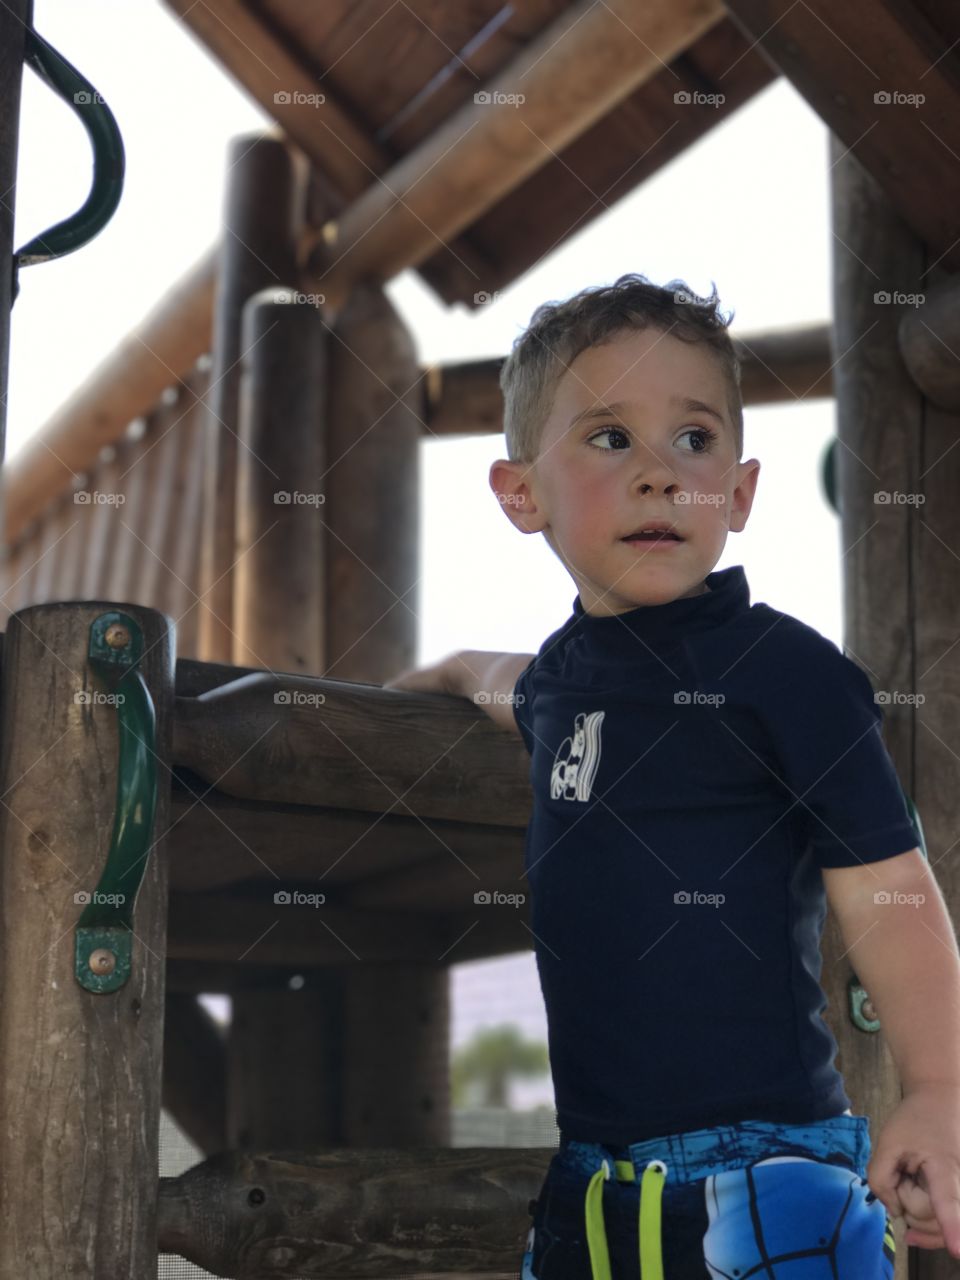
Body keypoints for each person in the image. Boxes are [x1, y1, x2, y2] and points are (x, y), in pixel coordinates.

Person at [384, 274, 960, 1276]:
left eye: (693, 440)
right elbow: (504, 681)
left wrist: (942, 1085)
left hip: (768, 1178)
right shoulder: (562, 681)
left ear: (737, 492)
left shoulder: (788, 672)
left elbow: (889, 886)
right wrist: (440, 673)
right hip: (589, 1193)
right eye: (611, 438)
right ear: (522, 493)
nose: (660, 474)